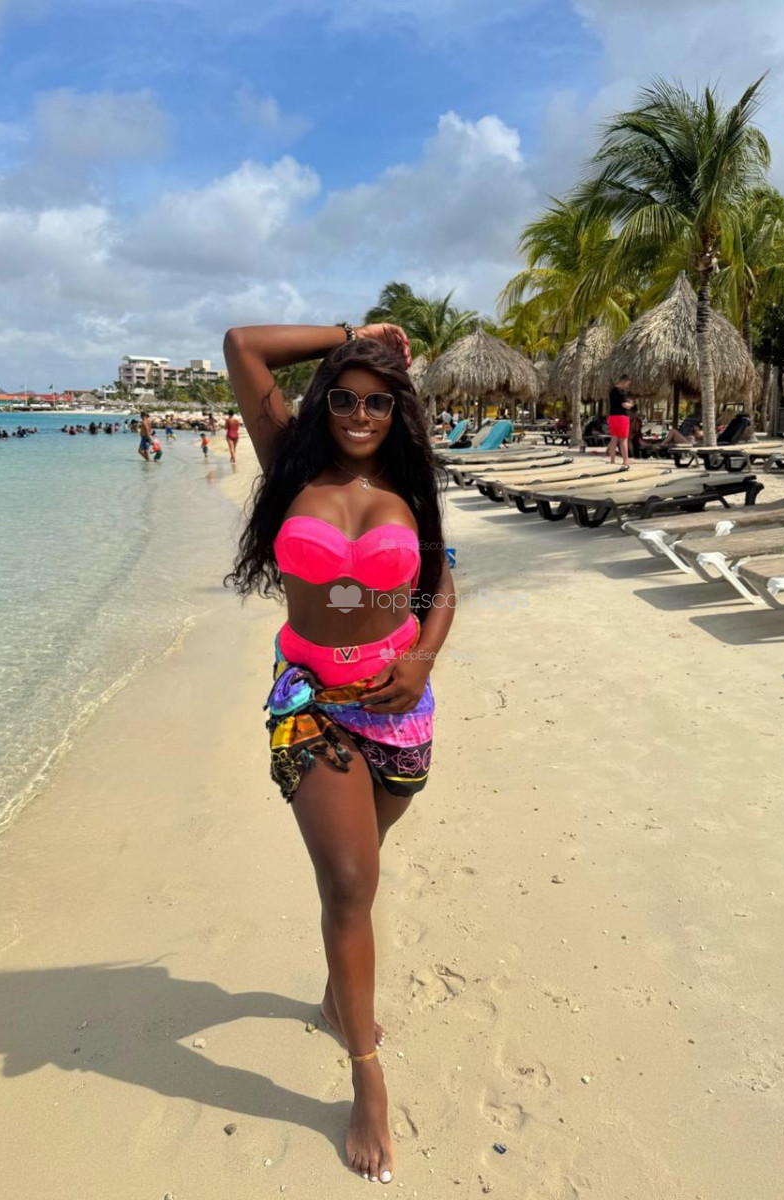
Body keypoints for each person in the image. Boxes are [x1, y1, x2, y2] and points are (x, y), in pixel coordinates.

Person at [223, 320, 454, 1186]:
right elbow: (242, 346)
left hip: (398, 709)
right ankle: (365, 1074)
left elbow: (440, 587)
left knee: (361, 867)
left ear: (398, 413)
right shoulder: (290, 461)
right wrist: (354, 334)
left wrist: (421, 659)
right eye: (346, 398)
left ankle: (334, 994)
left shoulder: (408, 483)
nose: (360, 415)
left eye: (378, 402)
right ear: (325, 402)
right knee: (352, 882)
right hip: (310, 702)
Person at [607, 375, 633, 467]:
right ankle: (625, 460)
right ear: (624, 381)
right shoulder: (622, 392)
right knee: (623, 439)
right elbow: (626, 405)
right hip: (621, 417)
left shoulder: (612, 391)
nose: (627, 386)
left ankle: (612, 460)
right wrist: (631, 404)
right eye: (627, 384)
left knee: (614, 439)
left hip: (612, 417)